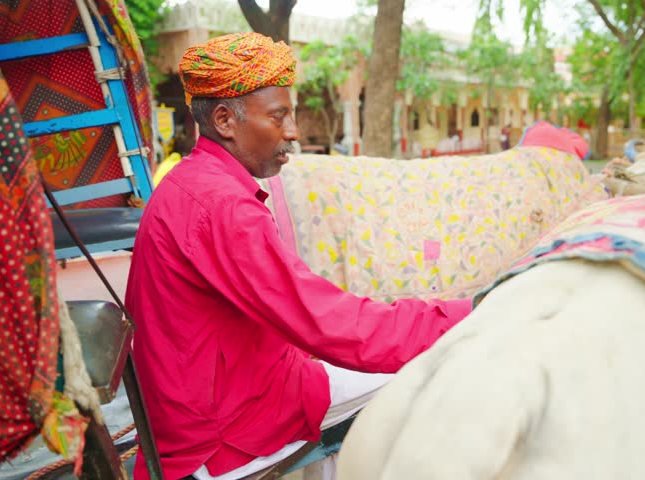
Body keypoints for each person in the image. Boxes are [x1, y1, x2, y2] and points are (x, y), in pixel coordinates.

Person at [124, 32, 473, 480]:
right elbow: (325, 322)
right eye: (278, 117)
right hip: (223, 431)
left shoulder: (192, 182)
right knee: (428, 370)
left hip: (207, 402)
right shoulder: (222, 206)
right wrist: (463, 315)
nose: (292, 132)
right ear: (226, 120)